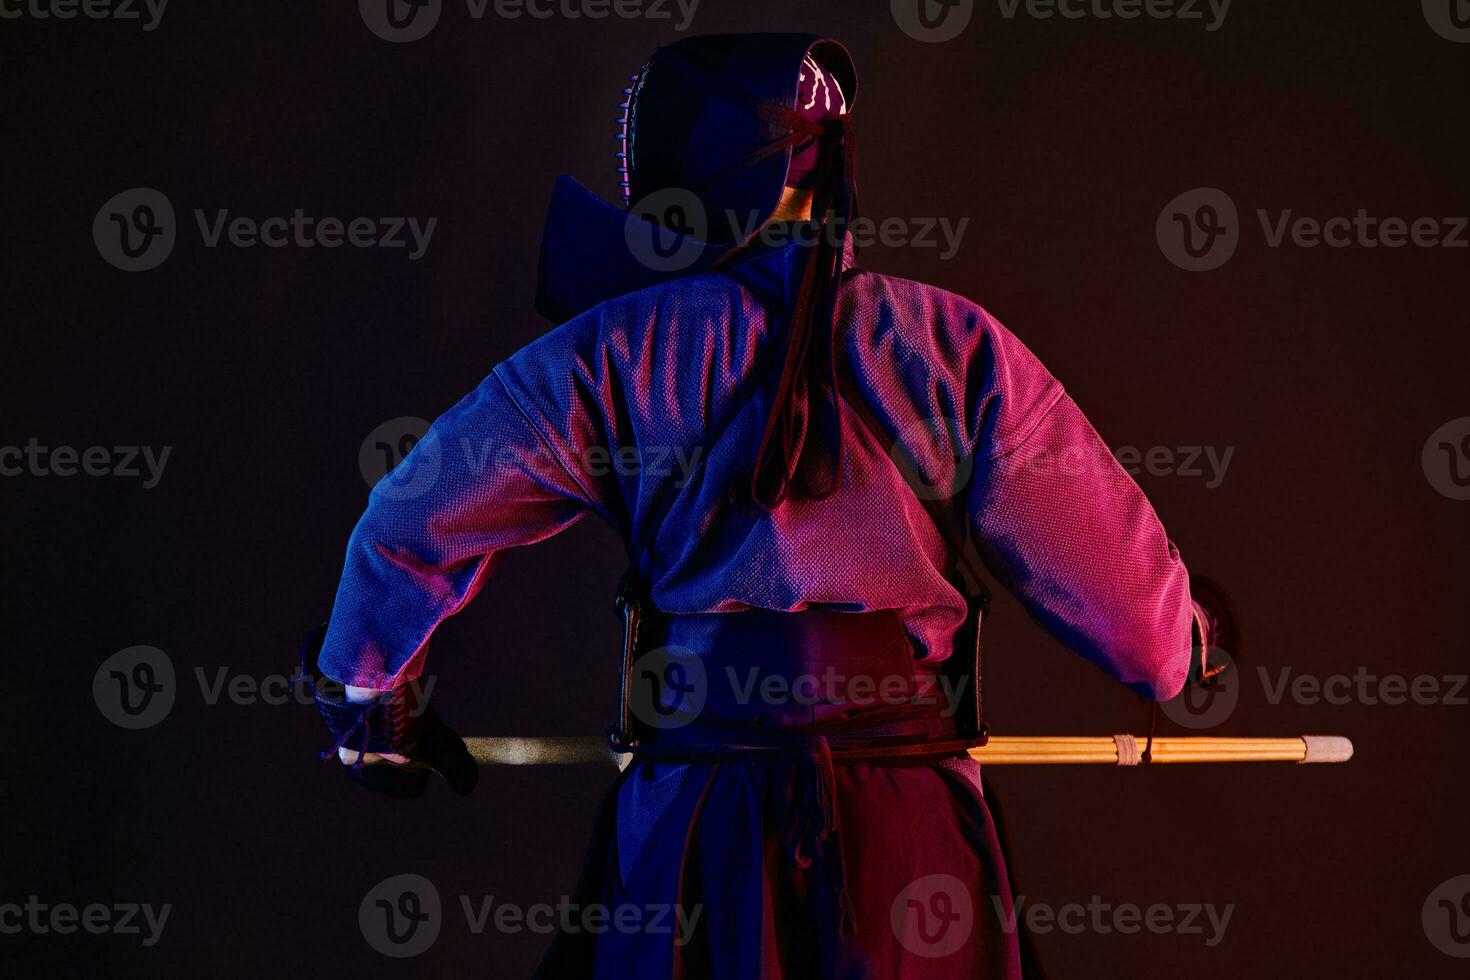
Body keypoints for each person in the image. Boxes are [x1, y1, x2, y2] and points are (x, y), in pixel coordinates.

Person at [301, 32, 1226, 978]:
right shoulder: (951, 346)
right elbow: (1151, 646)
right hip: (911, 855)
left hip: (692, 837)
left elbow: (411, 519)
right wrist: (1188, 635)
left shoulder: (615, 353)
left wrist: (375, 701)